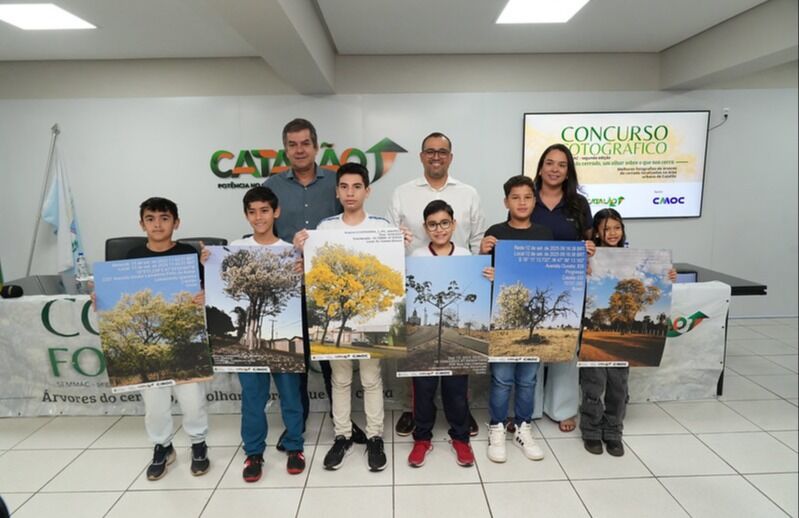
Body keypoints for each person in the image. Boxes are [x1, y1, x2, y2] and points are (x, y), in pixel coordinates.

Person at [263, 118, 366, 448]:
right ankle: (297, 423)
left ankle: (344, 423)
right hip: (289, 285)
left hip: (330, 287)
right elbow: (267, 233)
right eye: (292, 144)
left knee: (334, 356)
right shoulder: (273, 186)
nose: (299, 150)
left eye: (305, 143)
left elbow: (350, 227)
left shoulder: (337, 182)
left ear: (316, 146)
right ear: (285, 149)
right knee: (295, 358)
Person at [388, 132, 486, 437]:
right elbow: (390, 239)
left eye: (442, 151)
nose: (436, 156)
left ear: (450, 157)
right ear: (421, 156)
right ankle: (412, 409)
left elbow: (479, 241)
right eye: (430, 151)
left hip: (458, 282)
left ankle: (461, 410)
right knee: (419, 350)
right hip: (416, 287)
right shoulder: (402, 192)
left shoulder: (468, 193)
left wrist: (480, 274)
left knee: (456, 352)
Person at [308, 163, 393, 472]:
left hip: (372, 317)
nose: (350, 192)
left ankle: (374, 437)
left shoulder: (383, 227)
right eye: (344, 186)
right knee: (341, 379)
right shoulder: (325, 228)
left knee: (371, 379)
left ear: (367, 191)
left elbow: (395, 267)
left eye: (357, 186)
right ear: (337, 191)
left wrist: (402, 244)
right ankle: (342, 435)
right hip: (335, 318)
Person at [219, 186, 306, 480]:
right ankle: (253, 453)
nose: (259, 217)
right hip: (248, 347)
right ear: (246, 215)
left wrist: (304, 271)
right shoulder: (234, 249)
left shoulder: (290, 252)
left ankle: (295, 446)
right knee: (253, 397)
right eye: (252, 212)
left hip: (281, 331)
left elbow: (300, 294)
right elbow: (220, 284)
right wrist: (208, 259)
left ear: (276, 212)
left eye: (264, 211)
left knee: (291, 395)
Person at [122, 197, 210, 480]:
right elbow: (120, 297)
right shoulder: (132, 258)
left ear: (176, 223)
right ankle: (162, 447)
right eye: (150, 218)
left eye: (164, 218)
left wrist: (205, 293)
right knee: (155, 403)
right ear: (141, 223)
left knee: (192, 399)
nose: (157, 224)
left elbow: (209, 289)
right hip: (148, 341)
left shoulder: (190, 254)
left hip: (185, 338)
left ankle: (198, 444)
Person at [580, 208, 676, 456]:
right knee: (593, 383)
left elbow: (651, 284)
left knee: (618, 384)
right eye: (606, 228)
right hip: (593, 331)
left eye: (617, 227)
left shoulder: (634, 258)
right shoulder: (589, 256)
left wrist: (667, 276)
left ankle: (613, 431)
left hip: (623, 333)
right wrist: (583, 266)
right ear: (597, 232)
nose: (612, 233)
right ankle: (591, 429)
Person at [479, 175, 552, 462]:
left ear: (535, 200)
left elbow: (550, 274)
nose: (522, 202)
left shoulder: (545, 234)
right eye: (515, 197)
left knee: (528, 378)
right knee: (501, 378)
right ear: (505, 201)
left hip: (534, 316)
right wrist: (483, 256)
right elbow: (480, 275)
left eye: (527, 197)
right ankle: (497, 426)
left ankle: (523, 427)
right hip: (503, 318)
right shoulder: (495, 233)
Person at [407, 200, 486, 468]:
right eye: (432, 224)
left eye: (444, 223)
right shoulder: (417, 257)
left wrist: (488, 276)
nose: (439, 229)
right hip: (426, 345)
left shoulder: (465, 256)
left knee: (456, 391)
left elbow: (474, 291)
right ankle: (421, 437)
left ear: (453, 224)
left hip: (453, 330)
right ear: (425, 227)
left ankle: (460, 437)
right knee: (423, 390)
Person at [530, 144, 595, 433]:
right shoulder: (527, 196)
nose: (555, 169)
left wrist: (591, 249)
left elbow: (590, 240)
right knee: (530, 346)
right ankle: (526, 408)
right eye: (549, 163)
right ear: (541, 167)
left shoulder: (579, 204)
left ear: (569, 171)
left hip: (569, 286)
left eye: (562, 164)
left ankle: (563, 408)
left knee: (565, 348)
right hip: (533, 285)